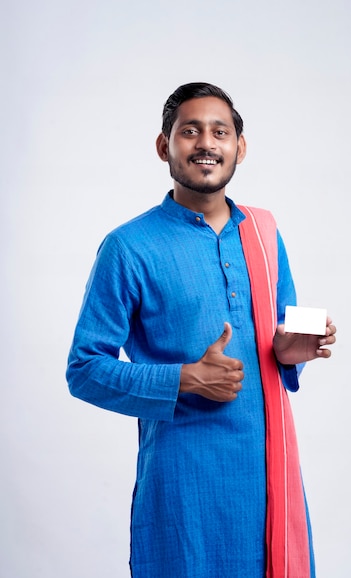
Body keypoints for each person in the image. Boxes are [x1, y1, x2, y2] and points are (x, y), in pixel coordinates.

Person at [66, 82, 336, 578]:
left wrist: (293, 349)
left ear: (240, 147)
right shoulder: (128, 247)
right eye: (190, 131)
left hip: (266, 478)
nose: (206, 143)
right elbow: (83, 370)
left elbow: (279, 339)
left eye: (221, 132)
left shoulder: (264, 233)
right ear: (164, 146)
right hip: (182, 486)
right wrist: (185, 378)